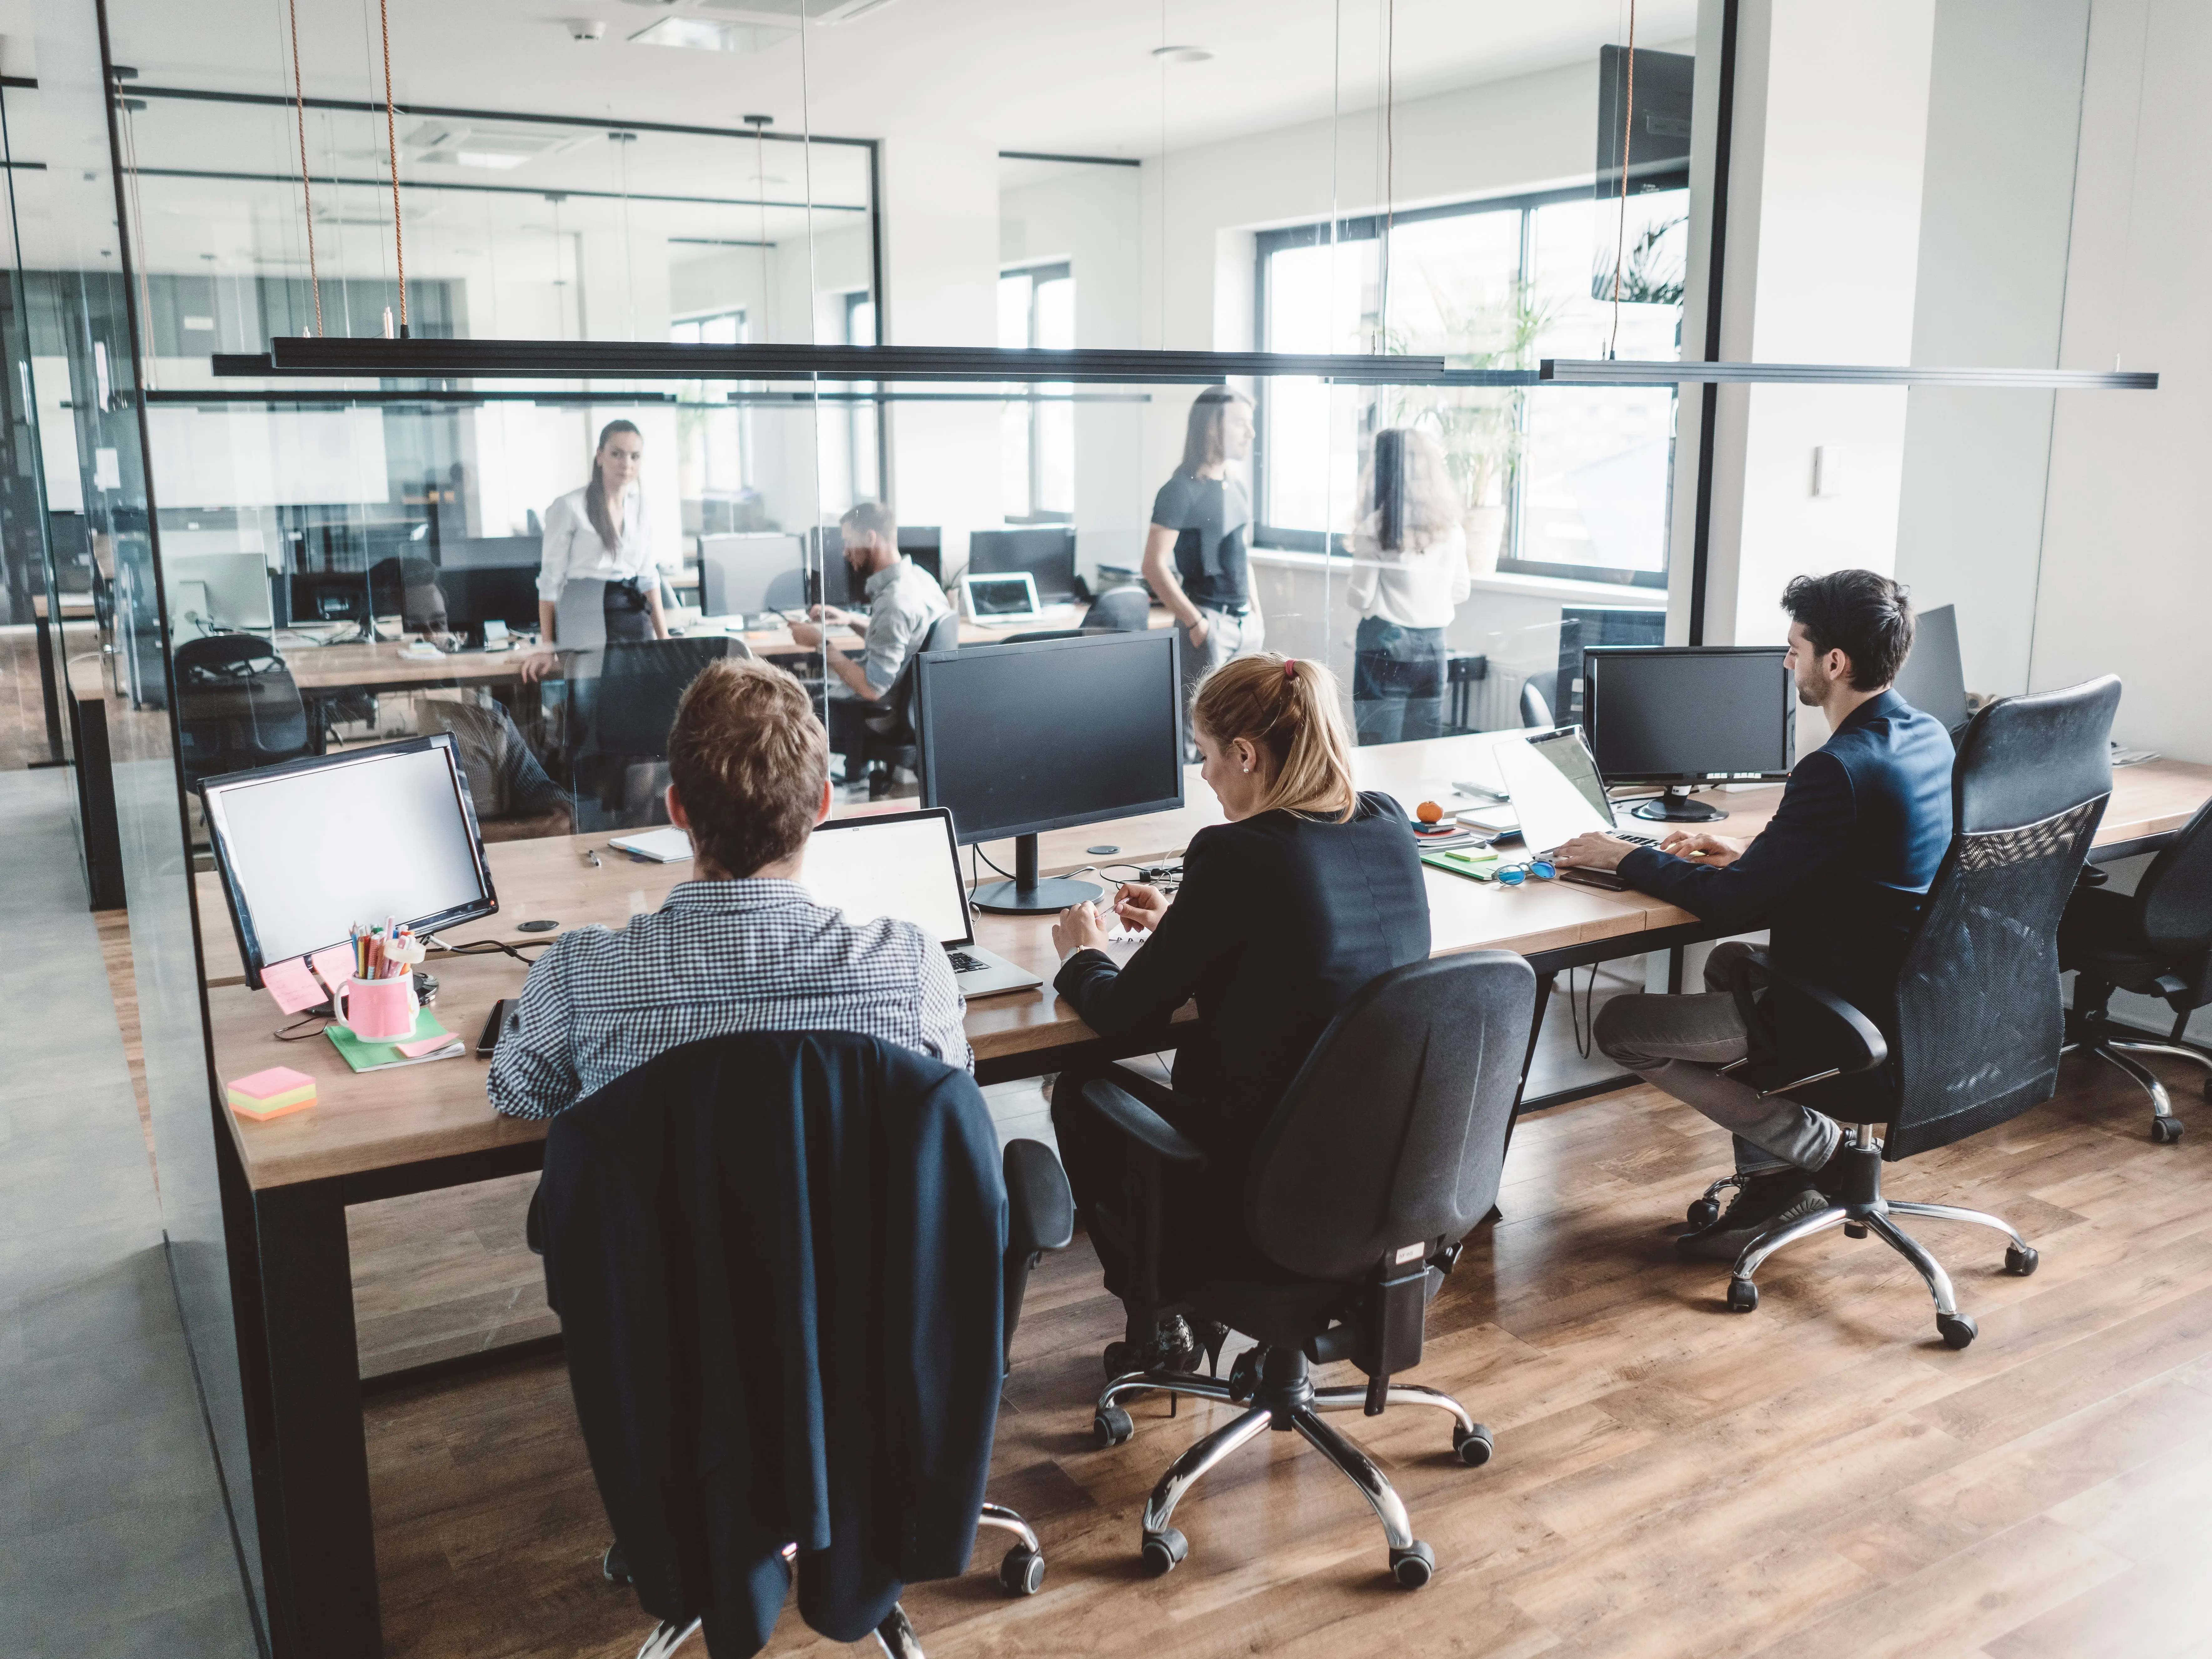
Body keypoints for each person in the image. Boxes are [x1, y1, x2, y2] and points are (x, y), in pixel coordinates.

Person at [1551, 570, 1953, 1261]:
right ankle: (1773, 1179)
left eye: (1794, 646)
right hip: (1915, 998)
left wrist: (1623, 856)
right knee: (1725, 964)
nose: (1785, 660)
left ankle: (1815, 1149)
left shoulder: (1836, 767)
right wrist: (1750, 852)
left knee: (1620, 1027)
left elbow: (1730, 903)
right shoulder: (1925, 737)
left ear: (1835, 663)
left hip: (1845, 1011)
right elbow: (1862, 857)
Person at [1045, 653, 1431, 1364]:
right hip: (1390, 1182)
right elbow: (1298, 944)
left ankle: (1163, 1315)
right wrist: (1186, 926)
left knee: (1079, 1087)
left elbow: (1124, 1016)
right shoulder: (1385, 821)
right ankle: (1193, 1308)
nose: (1203, 773)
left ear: (1246, 754)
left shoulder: (1236, 853)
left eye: (1207, 754)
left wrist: (1082, 953)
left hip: (1269, 1184)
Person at [488, 655, 969, 1120]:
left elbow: (518, 1095)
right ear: (824, 805)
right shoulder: (912, 967)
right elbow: (953, 1083)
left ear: (676, 809)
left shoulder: (579, 975)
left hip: (663, 1207)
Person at [789, 499, 952, 788]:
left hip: (879, 714)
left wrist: (820, 644)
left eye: (849, 542)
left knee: (790, 702)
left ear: (870, 538)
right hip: (910, 708)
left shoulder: (894, 601)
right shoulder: (920, 580)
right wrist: (850, 620)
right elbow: (903, 642)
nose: (845, 552)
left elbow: (871, 688)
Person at [1143, 388, 1262, 748]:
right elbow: (1153, 565)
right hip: (1208, 625)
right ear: (1213, 427)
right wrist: (1196, 624)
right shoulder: (1180, 490)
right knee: (1194, 736)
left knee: (1241, 736)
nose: (1250, 433)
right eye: (1241, 423)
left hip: (1245, 626)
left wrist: (1257, 612)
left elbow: (1241, 555)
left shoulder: (1236, 487)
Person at [1347, 426, 1471, 745]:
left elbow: (1360, 597)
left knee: (1377, 754)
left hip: (1384, 647)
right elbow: (1461, 591)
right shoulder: (1451, 528)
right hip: (1434, 650)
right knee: (1420, 753)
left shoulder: (1375, 528)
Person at [524, 419, 668, 681]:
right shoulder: (569, 507)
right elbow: (549, 582)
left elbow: (648, 578)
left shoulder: (642, 508)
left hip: (630, 610)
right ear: (600, 457)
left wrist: (664, 637)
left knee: (645, 695)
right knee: (597, 705)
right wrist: (548, 648)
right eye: (617, 454)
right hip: (584, 611)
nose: (627, 464)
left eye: (635, 456)